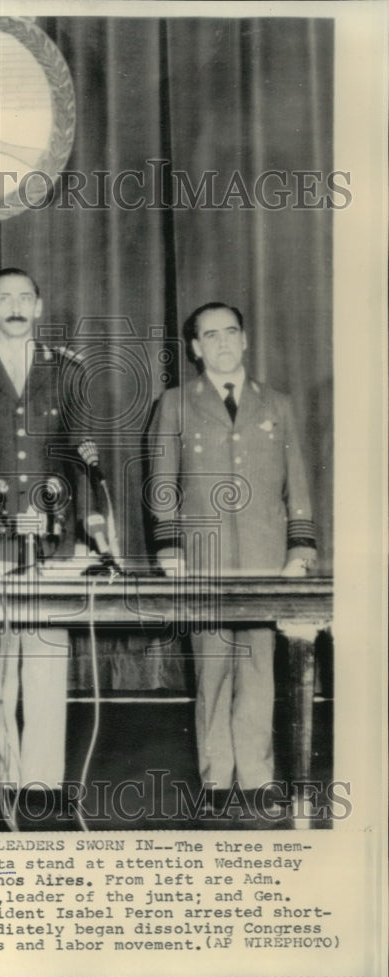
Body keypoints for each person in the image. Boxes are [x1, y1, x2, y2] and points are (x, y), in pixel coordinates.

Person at [148, 302, 316, 818]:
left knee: (261, 668)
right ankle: (217, 777)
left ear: (244, 340)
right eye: (210, 336)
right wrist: (170, 548)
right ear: (196, 348)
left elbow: (298, 484)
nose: (222, 343)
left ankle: (259, 776)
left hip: (267, 561)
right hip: (205, 559)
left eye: (231, 333)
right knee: (215, 668)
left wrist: (301, 549)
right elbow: (161, 483)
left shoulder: (278, 404)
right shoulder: (175, 404)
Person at [0, 268, 91, 815]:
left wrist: (86, 533)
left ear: (40, 304)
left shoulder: (67, 370)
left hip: (52, 535)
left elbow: (82, 456)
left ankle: (44, 784)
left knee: (47, 655)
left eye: (25, 297)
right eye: (4, 298)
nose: (15, 307)